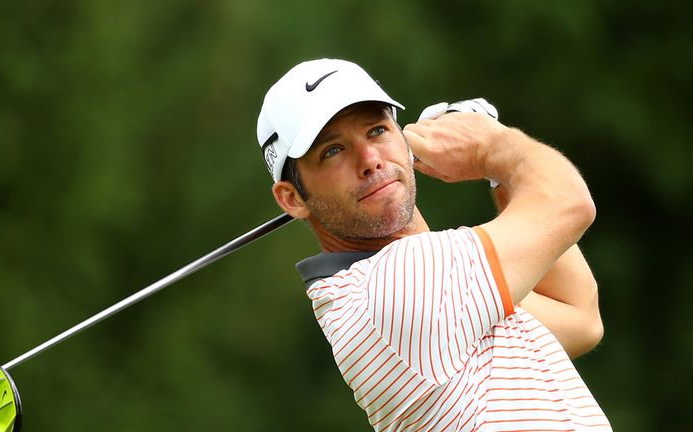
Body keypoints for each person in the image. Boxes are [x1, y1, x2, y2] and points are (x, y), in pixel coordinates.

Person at [256, 58, 610, 431]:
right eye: (332, 151)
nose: (370, 160)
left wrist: (497, 169)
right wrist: (492, 145)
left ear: (405, 141)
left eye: (377, 130)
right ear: (293, 198)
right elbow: (569, 203)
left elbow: (578, 316)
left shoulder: (444, 292)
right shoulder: (397, 283)